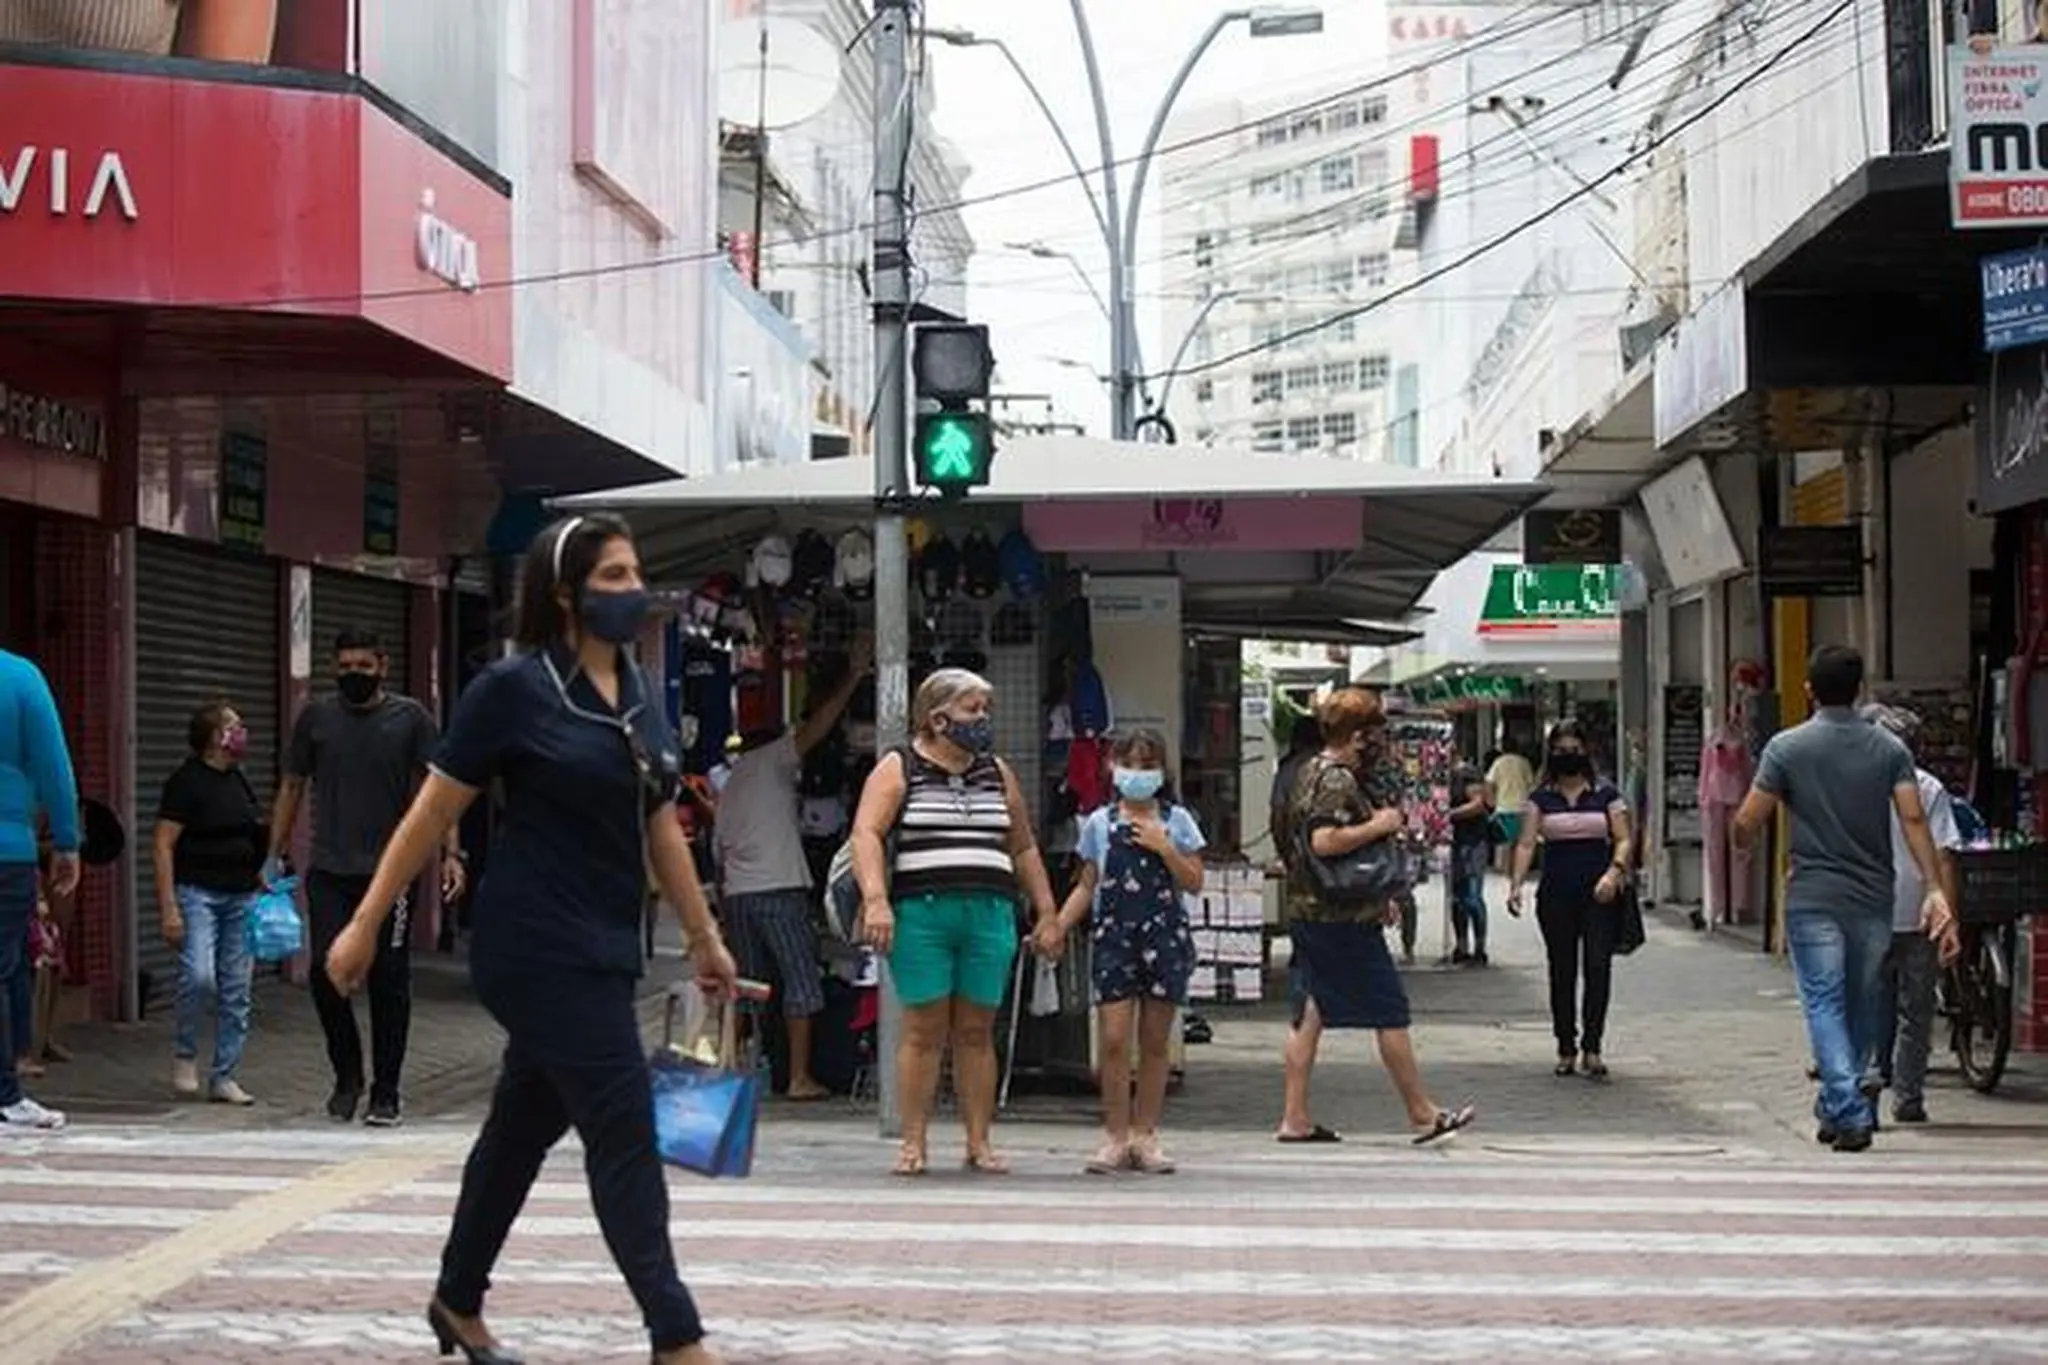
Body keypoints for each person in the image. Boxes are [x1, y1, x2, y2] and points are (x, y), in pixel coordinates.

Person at [324, 513, 738, 1365]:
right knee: (623, 1130)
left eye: (635, 573)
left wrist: (703, 935)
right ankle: (678, 1335)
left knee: (520, 1128)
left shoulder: (635, 689)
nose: (632, 589)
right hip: (533, 944)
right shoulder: (514, 689)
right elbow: (432, 811)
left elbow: (660, 820)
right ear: (565, 592)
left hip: (605, 944)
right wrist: (365, 921)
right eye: (614, 576)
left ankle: (456, 1298)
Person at [1731, 644, 1958, 1153]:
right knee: (1859, 1000)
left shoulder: (1786, 748)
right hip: (1873, 897)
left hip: (1813, 896)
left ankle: (1849, 1108)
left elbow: (1749, 819)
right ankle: (1836, 1105)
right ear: (1860, 691)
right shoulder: (1889, 750)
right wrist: (1935, 886)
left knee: (1824, 1001)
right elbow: (1914, 818)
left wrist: (1740, 843)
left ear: (1809, 690)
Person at [849, 667, 1059, 1177]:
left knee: (976, 1030)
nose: (982, 719)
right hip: (922, 914)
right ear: (938, 717)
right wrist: (876, 899)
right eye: (973, 709)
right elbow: (866, 834)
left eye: (985, 709)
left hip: (989, 913)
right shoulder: (899, 768)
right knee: (922, 1030)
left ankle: (978, 1141)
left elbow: (1024, 845)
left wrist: (1047, 911)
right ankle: (913, 1142)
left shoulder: (996, 771)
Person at [272, 627, 465, 1127]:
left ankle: (386, 1091)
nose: (352, 675)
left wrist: (450, 853)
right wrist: (273, 855)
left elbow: (442, 789)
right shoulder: (316, 718)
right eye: (344, 666)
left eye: (363, 666)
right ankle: (347, 1075)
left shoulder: (410, 720)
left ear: (382, 666)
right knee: (324, 973)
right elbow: (292, 785)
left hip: (392, 875)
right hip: (331, 869)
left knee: (389, 979)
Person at [1277, 687, 1475, 1146]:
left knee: (1309, 1012)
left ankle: (1295, 1116)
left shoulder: (1309, 771)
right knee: (1389, 1010)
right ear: (1358, 734)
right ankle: (1422, 1114)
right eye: (1375, 731)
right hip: (1340, 920)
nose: (1380, 741)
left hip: (1314, 910)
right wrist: (1379, 825)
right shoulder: (1335, 780)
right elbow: (1324, 841)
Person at [1038, 729, 1205, 1175]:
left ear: (1162, 772)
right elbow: (1087, 884)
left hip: (1164, 936)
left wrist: (1165, 848)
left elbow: (1194, 880)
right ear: (1113, 768)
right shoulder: (1097, 822)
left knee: (1155, 1042)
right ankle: (1114, 1133)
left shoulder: (1178, 821)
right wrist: (1057, 924)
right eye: (1129, 764)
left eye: (1147, 765)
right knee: (1113, 1040)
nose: (1138, 774)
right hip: (1114, 937)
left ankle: (1145, 1134)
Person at [714, 634, 871, 1101]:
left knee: (748, 986)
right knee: (802, 984)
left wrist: (721, 914)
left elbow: (720, 857)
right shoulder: (770, 761)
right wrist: (853, 677)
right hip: (778, 890)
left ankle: (737, 1067)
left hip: (739, 895)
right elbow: (817, 728)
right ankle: (800, 1078)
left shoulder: (732, 780)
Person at [154, 700, 267, 1106]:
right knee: (200, 976)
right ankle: (186, 1052)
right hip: (197, 893)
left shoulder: (239, 780)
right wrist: (169, 907)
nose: (242, 733)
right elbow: (164, 844)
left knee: (237, 987)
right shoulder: (186, 782)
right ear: (215, 737)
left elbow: (253, 831)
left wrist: (263, 871)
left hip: (242, 895)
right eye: (233, 725)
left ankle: (224, 1075)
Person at [1507, 721, 1633, 1078]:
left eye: (1574, 748)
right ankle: (1565, 1045)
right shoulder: (1540, 799)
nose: (1568, 756)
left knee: (1597, 967)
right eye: (1561, 750)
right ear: (1551, 755)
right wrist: (1516, 885)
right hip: (1556, 893)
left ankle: (1593, 1047)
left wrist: (1615, 871)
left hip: (1600, 893)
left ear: (1586, 751)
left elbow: (1623, 838)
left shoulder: (1606, 795)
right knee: (1561, 971)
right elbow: (1527, 843)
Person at [1862, 704, 1962, 1126]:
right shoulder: (1928, 788)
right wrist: (1948, 914)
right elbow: (1945, 857)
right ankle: (1908, 1097)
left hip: (1865, 912)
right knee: (1916, 1011)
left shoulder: (1853, 787)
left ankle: (1865, 1087)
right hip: (1918, 910)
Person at [0, 647, 79, 1130]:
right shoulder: (21, 677)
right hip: (8, 849)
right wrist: (67, 841)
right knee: (7, 967)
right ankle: (7, 1094)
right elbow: (54, 766)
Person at [1447, 752, 1494, 965]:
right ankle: (1462, 945)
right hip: (1454, 842)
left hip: (1473, 840)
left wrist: (1447, 815)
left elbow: (1478, 804)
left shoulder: (1468, 773)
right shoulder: (1442, 776)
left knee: (1472, 896)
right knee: (1457, 897)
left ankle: (1480, 947)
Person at [1485, 743, 1536, 862]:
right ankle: (1516, 869)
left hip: (1504, 807)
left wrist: (1491, 801)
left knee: (1505, 842)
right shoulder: (1524, 762)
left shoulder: (1498, 762)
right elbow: (1531, 784)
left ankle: (1505, 871)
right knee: (1521, 842)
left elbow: (1488, 782)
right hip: (1522, 807)